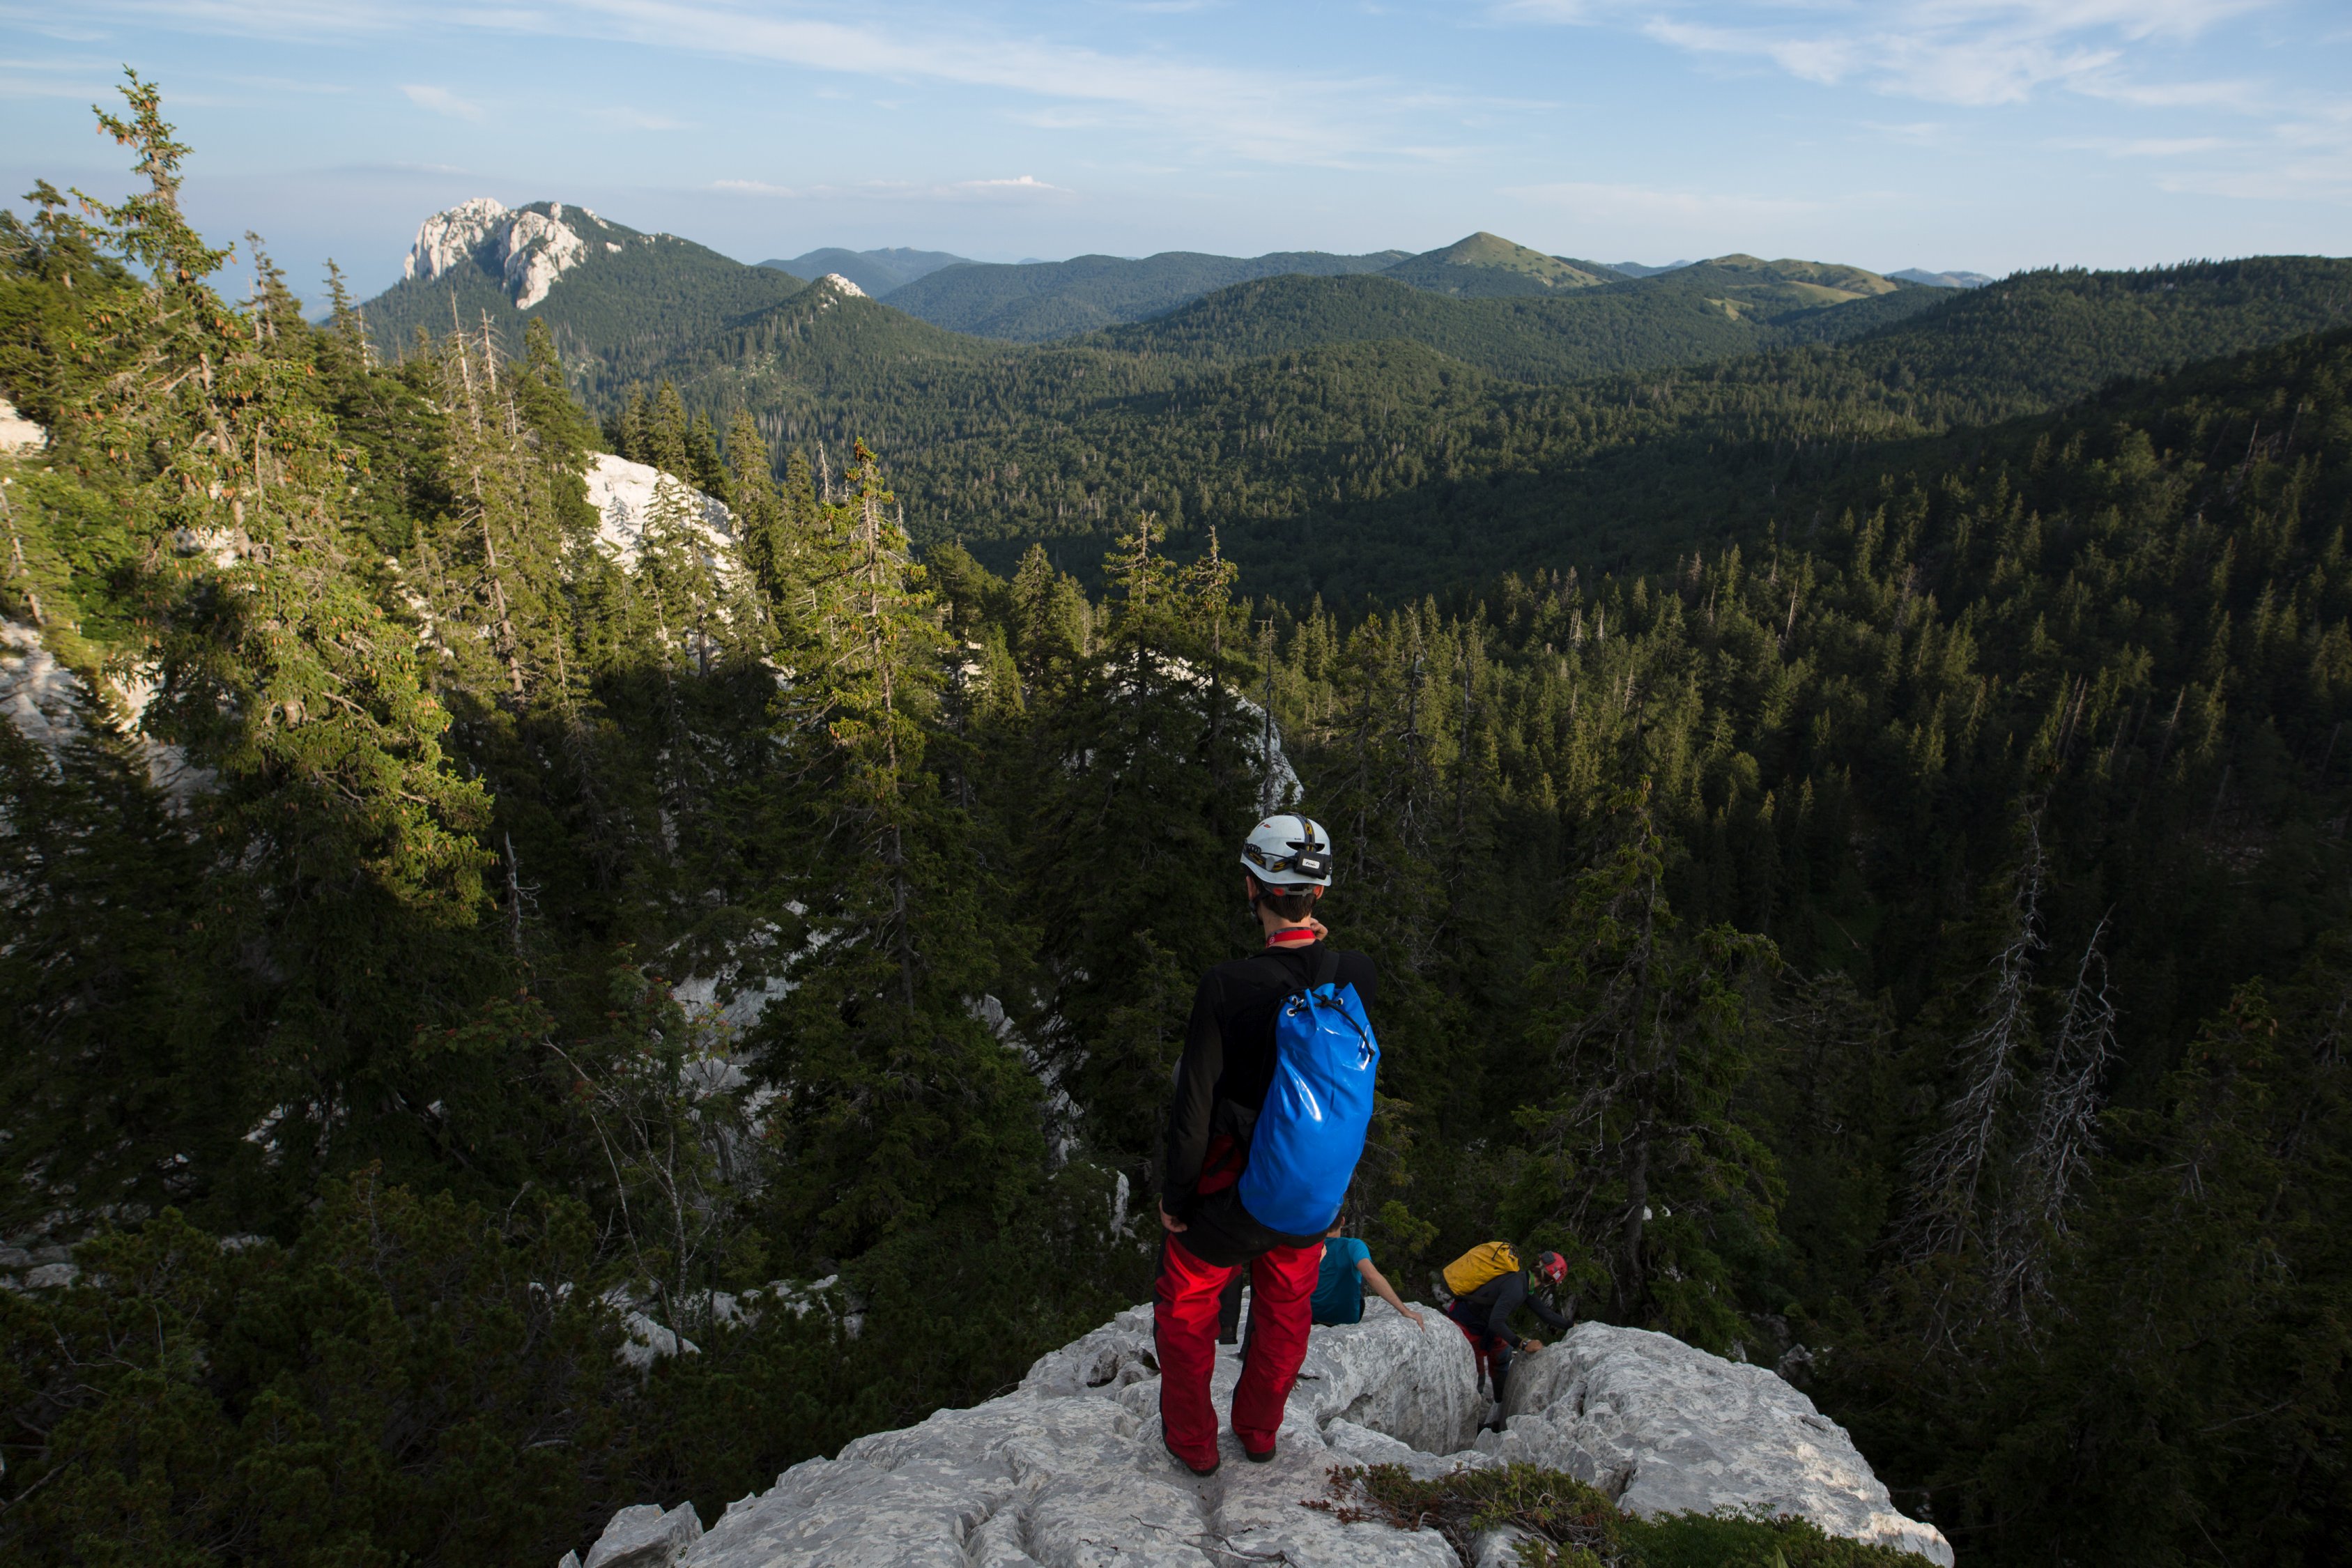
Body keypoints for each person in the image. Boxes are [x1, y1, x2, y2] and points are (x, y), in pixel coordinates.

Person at [1155, 815, 1378, 1477]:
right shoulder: (1354, 974)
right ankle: (1258, 1431)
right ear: (1320, 895)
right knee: (1284, 1312)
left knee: (1188, 1304)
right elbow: (1344, 1086)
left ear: (1252, 887)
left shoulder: (1227, 984)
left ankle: (1194, 1442)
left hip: (1232, 1187)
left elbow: (1194, 1103)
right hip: (1309, 1189)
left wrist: (1176, 1195)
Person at [1440, 1243, 1571, 1419]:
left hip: (1479, 1323)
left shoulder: (1524, 1283)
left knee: (1503, 1355)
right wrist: (1523, 1344)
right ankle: (1470, 1421)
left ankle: (1500, 1409)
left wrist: (1571, 1326)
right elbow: (1497, 1322)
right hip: (1468, 1325)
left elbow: (1544, 1313)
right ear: (1549, 1282)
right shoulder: (1516, 1288)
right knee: (1474, 1376)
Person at [1311, 1221, 1427, 1329]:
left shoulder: (1310, 1247)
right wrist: (1405, 1311)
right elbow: (1371, 1276)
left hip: (1315, 1316)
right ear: (1342, 1221)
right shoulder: (1353, 1246)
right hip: (1347, 1318)